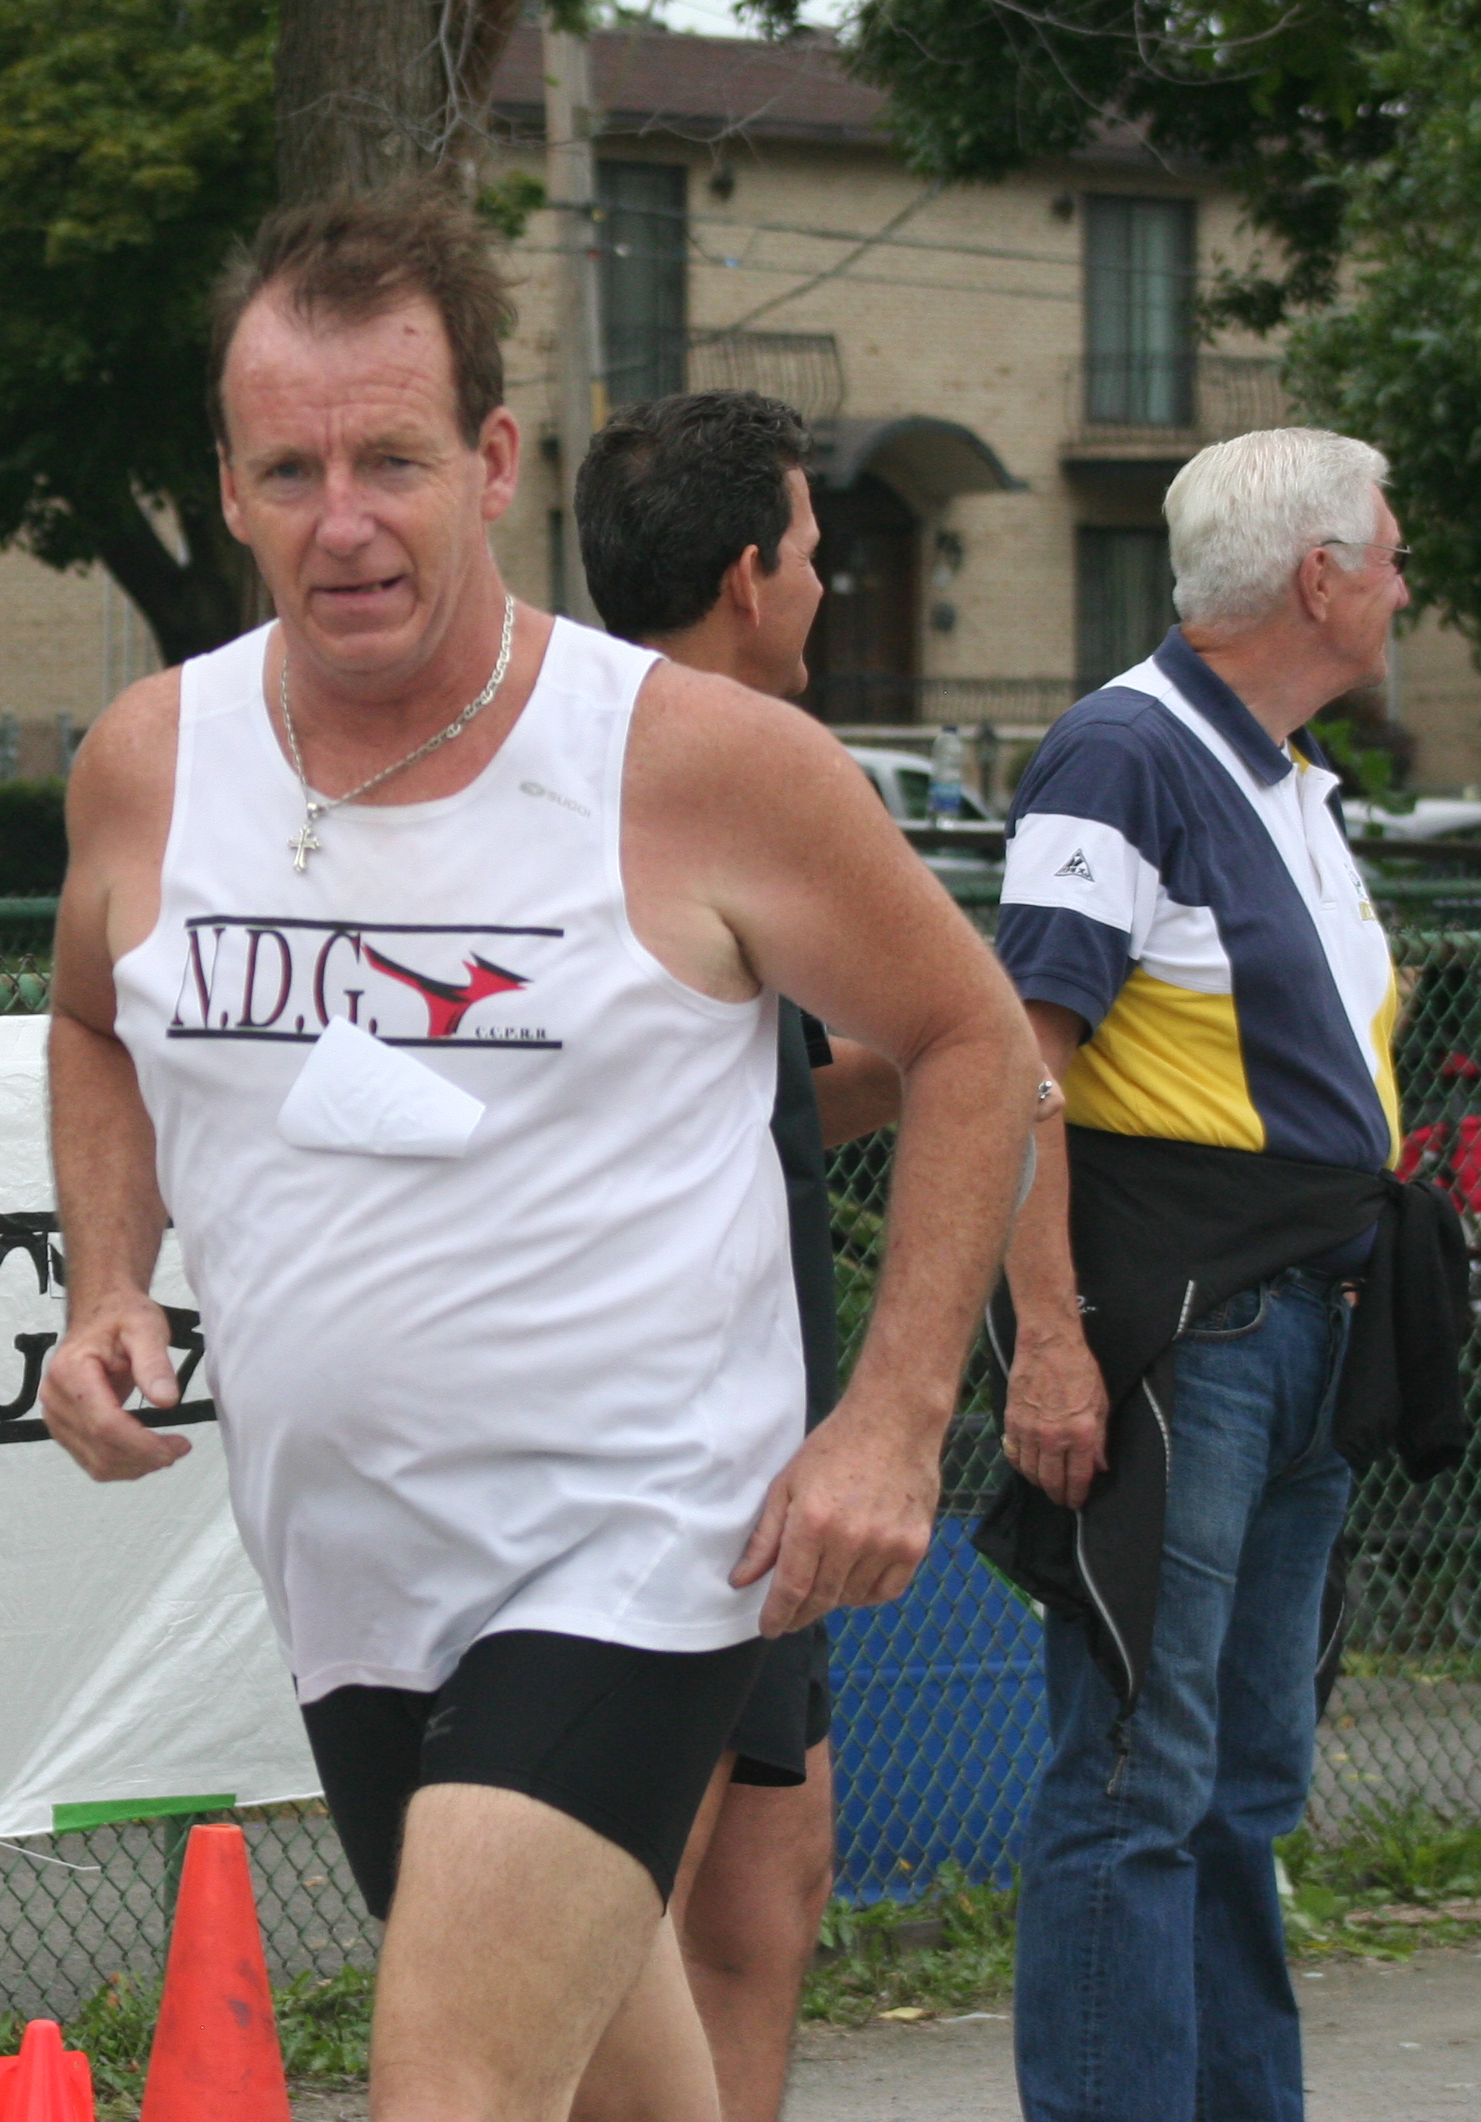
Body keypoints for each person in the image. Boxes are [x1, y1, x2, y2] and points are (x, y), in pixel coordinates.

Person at [38, 184, 1036, 2122]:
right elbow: (94, 1015)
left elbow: (971, 1037)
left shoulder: (690, 762)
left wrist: (896, 1420)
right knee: (620, 2097)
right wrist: (102, 1282)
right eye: (293, 467)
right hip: (349, 1566)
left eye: (393, 458)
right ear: (229, 489)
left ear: (492, 461)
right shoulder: (151, 763)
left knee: (453, 2082)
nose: (346, 520)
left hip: (634, 1539)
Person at [983, 426, 1470, 2122]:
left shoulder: (1278, 773)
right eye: (1392, 556)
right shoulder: (1123, 757)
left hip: (1304, 1320)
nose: (1406, 586)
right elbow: (1017, 1066)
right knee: (1138, 1775)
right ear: (1321, 577)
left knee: (1238, 1789)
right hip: (1192, 1334)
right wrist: (1049, 1339)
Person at [576, 388, 905, 2122]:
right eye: (817, 553)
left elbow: (775, 1105)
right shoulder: (661, 768)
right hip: (651, 1458)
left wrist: (933, 1064)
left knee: (765, 1899)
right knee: (606, 1923)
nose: (829, 587)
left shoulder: (740, 773)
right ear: (745, 574)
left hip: (771, 1445)